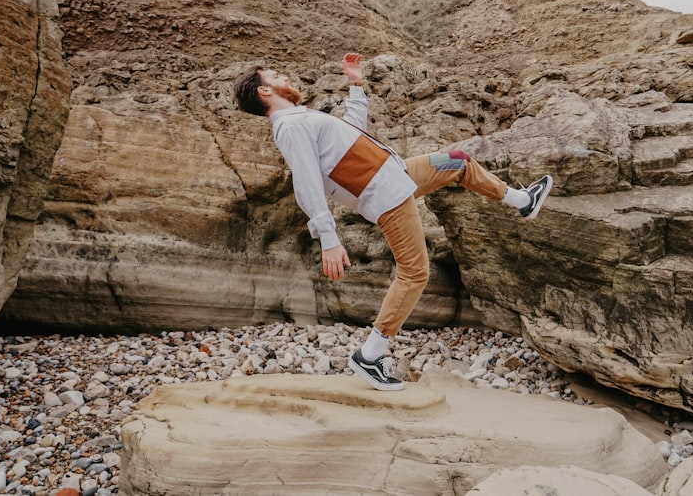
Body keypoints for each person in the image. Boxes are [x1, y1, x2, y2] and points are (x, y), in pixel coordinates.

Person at [233, 53, 552, 391]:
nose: (282, 74)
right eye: (273, 74)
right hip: (385, 193)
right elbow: (306, 183)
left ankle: (523, 201)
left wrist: (356, 84)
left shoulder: (300, 117)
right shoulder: (290, 126)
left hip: (398, 173)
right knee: (415, 273)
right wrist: (328, 238)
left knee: (458, 161)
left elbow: (354, 131)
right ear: (264, 92)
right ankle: (370, 355)